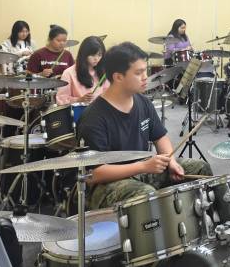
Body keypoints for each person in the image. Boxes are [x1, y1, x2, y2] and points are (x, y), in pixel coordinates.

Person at [78, 42, 212, 210]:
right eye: (138, 73)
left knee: (200, 169)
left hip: (142, 170)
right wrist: (143, 166)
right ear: (118, 77)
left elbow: (160, 137)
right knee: (146, 194)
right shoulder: (93, 117)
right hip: (107, 183)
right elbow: (94, 174)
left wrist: (170, 161)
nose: (145, 77)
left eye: (145, 71)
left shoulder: (142, 102)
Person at [56, 36, 110, 105]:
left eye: (99, 55)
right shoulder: (69, 73)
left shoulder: (103, 71)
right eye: (92, 55)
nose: (96, 59)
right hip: (78, 110)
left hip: (99, 110)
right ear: (84, 54)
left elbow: (108, 94)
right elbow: (60, 99)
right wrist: (79, 99)